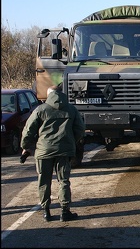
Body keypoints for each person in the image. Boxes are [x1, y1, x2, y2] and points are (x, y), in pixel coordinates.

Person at [20, 86, 85, 222]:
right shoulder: (71, 109)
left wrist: (26, 147)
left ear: (49, 95)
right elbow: (80, 129)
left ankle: (46, 211)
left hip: (44, 151)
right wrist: (71, 141)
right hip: (64, 150)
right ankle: (65, 211)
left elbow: (28, 131)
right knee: (64, 180)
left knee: (43, 181)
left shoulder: (41, 110)